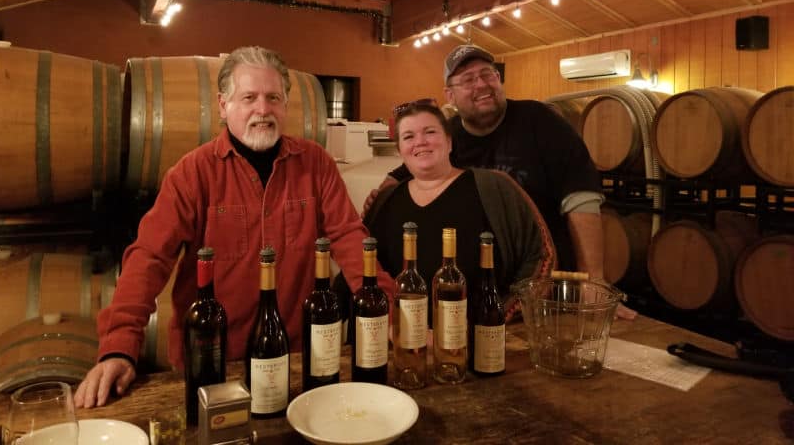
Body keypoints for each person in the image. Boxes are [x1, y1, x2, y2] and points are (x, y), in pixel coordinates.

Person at [74, 46, 394, 408]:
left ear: (286, 106)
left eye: (273, 98)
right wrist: (119, 348)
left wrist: (389, 311)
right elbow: (149, 257)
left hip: (292, 360)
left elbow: (349, 238)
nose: (263, 109)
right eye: (249, 98)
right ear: (224, 107)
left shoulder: (315, 163)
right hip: (212, 363)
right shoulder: (192, 173)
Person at [368, 44, 636, 318]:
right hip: (489, 288)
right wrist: (380, 198)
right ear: (450, 95)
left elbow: (581, 198)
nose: (482, 85)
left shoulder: (540, 121)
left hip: (549, 280)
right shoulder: (452, 137)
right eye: (469, 80)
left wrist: (592, 281)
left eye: (488, 74)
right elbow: (408, 169)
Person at [365, 100, 555, 320]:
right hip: (401, 343)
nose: (420, 142)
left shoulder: (495, 187)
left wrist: (497, 318)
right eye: (409, 136)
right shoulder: (385, 200)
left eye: (430, 132)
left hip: (485, 340)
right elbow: (363, 270)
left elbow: (541, 256)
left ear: (449, 142)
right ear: (400, 150)